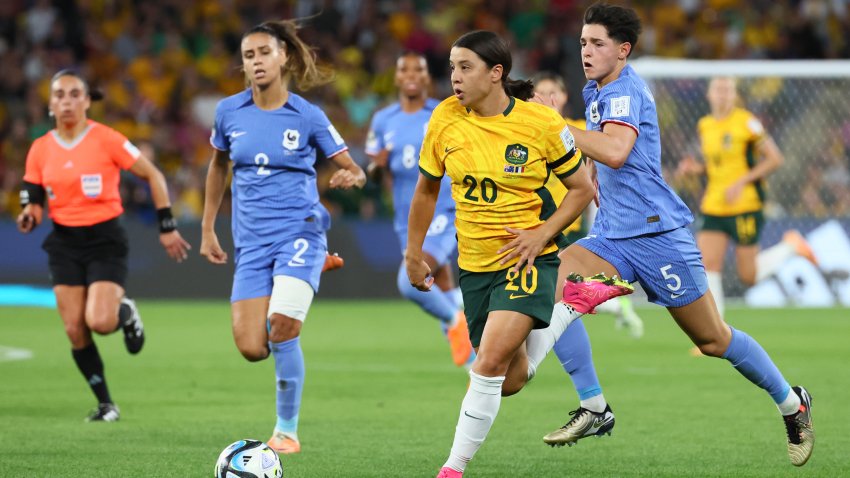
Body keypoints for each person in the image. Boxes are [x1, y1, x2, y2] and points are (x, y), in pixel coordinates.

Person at [537, 3, 814, 467]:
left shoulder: (625, 90)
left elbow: (617, 150)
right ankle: (594, 407)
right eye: (583, 42)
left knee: (713, 340)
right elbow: (596, 156)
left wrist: (549, 126)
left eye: (597, 43)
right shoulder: (596, 89)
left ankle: (793, 403)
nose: (586, 50)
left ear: (622, 50)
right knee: (552, 287)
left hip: (658, 236)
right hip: (611, 238)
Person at [405, 30, 609, 478]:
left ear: (496, 73)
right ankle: (569, 308)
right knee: (510, 379)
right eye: (453, 68)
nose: (454, 77)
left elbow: (581, 189)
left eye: (465, 68)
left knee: (488, 364)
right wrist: (413, 252)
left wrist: (541, 235)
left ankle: (452, 468)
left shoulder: (539, 124)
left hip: (528, 258)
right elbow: (425, 188)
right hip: (474, 266)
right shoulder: (445, 118)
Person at [199, 20, 366, 456]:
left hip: (299, 230)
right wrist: (206, 228)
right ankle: (311, 271)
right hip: (251, 243)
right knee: (252, 347)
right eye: (248, 55)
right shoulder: (228, 112)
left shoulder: (307, 115)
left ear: (283, 58)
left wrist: (351, 173)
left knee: (282, 328)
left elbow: (354, 167)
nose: (255, 62)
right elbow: (218, 167)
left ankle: (286, 431)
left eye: (263, 53)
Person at [16, 69, 191, 422]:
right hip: (64, 241)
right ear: (51, 104)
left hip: (104, 239)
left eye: (74, 94)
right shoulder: (40, 148)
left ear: (86, 101)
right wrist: (29, 215)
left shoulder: (107, 139)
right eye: (60, 95)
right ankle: (106, 404)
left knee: (99, 321)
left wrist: (167, 225)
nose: (67, 101)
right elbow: (33, 199)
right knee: (73, 329)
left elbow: (154, 175)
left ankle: (123, 311)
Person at [677, 77, 817, 323]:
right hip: (713, 205)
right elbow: (716, 165)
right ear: (709, 95)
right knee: (708, 266)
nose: (723, 94)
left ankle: (792, 247)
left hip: (745, 205)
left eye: (728, 90)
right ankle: (717, 331)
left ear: (734, 95)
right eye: (718, 89)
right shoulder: (705, 125)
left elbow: (775, 158)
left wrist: (742, 182)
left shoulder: (747, 123)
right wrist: (696, 169)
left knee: (748, 276)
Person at [365, 51, 473, 368]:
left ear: (427, 77)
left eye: (419, 69)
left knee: (409, 281)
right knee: (440, 286)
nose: (411, 74)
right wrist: (376, 166)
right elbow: (373, 173)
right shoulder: (383, 120)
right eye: (404, 69)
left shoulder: (443, 112)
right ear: (396, 77)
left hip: (442, 211)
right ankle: (478, 372)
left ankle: (456, 322)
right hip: (407, 221)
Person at [533, 71, 644, 337]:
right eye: (543, 93)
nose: (549, 98)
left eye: (554, 92)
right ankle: (616, 303)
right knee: (558, 291)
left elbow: (605, 149)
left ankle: (614, 303)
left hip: (568, 216)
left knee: (556, 290)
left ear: (564, 96)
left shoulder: (578, 126)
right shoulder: (530, 129)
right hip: (538, 217)